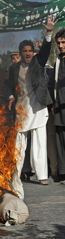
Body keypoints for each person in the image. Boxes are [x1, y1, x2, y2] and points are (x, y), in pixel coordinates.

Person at [8, 15, 57, 198]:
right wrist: (12, 96)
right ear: (20, 53)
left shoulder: (38, 62)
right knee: (19, 142)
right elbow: (8, 86)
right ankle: (16, 173)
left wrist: (49, 32)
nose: (28, 53)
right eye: (25, 51)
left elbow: (45, 50)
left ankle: (42, 176)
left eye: (30, 50)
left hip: (38, 106)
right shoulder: (13, 68)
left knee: (39, 141)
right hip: (22, 107)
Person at [52, 29, 65, 183]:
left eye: (63, 42)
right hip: (59, 105)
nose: (61, 46)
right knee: (60, 138)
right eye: (59, 43)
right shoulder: (58, 60)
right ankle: (62, 172)